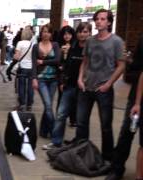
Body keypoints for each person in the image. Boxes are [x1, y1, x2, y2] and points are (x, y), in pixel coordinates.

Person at [76, 9, 126, 162]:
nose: (98, 21)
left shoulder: (116, 41)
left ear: (109, 22)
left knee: (105, 125)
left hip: (103, 89)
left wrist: (109, 84)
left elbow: (121, 65)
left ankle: (107, 158)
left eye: (103, 19)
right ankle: (82, 153)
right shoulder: (90, 41)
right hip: (86, 87)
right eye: (97, 19)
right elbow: (85, 61)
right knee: (81, 122)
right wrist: (80, 78)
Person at [42, 22, 92, 150]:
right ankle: (56, 141)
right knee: (61, 114)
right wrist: (63, 81)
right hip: (69, 85)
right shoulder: (73, 47)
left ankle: (81, 144)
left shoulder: (92, 48)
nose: (82, 34)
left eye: (85, 32)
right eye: (80, 32)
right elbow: (67, 65)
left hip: (84, 88)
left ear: (89, 33)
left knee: (81, 118)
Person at [105, 35, 143, 180]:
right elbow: (135, 66)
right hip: (137, 97)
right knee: (127, 132)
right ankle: (117, 168)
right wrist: (129, 60)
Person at [31, 23, 61, 138]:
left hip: (53, 80)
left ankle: (43, 131)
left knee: (47, 106)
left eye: (48, 31)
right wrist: (34, 79)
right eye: (44, 31)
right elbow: (34, 64)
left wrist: (43, 62)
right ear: (41, 33)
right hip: (41, 79)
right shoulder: (36, 46)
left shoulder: (55, 45)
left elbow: (58, 60)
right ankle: (55, 133)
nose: (46, 34)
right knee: (48, 105)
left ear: (51, 34)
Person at [56, 25, 77, 127]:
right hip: (62, 74)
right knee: (61, 95)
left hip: (73, 74)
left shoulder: (76, 46)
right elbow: (57, 60)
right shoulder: (59, 45)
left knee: (73, 97)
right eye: (65, 34)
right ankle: (59, 117)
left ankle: (73, 119)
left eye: (69, 34)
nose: (67, 36)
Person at [13, 28, 35, 111]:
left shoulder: (20, 43)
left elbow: (17, 56)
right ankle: (29, 104)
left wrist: (14, 57)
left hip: (22, 67)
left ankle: (22, 104)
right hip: (31, 68)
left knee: (21, 86)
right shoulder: (33, 44)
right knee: (30, 87)